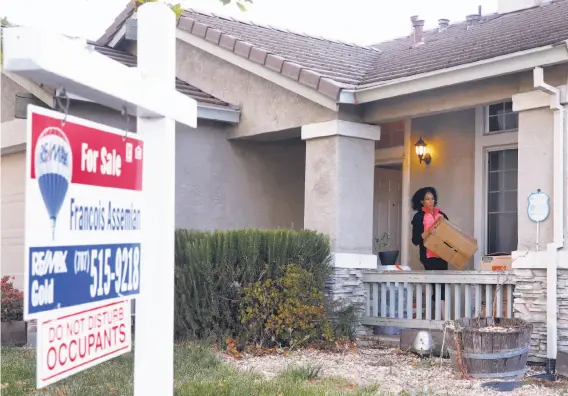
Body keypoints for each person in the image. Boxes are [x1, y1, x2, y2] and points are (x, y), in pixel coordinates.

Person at [411, 186, 449, 319]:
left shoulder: (441, 215)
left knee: (441, 285)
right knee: (435, 284)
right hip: (428, 256)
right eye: (427, 199)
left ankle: (439, 317)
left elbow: (450, 234)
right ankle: (442, 317)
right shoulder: (419, 217)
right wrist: (428, 232)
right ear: (421, 201)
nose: (431, 201)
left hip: (443, 256)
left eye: (432, 198)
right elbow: (415, 240)